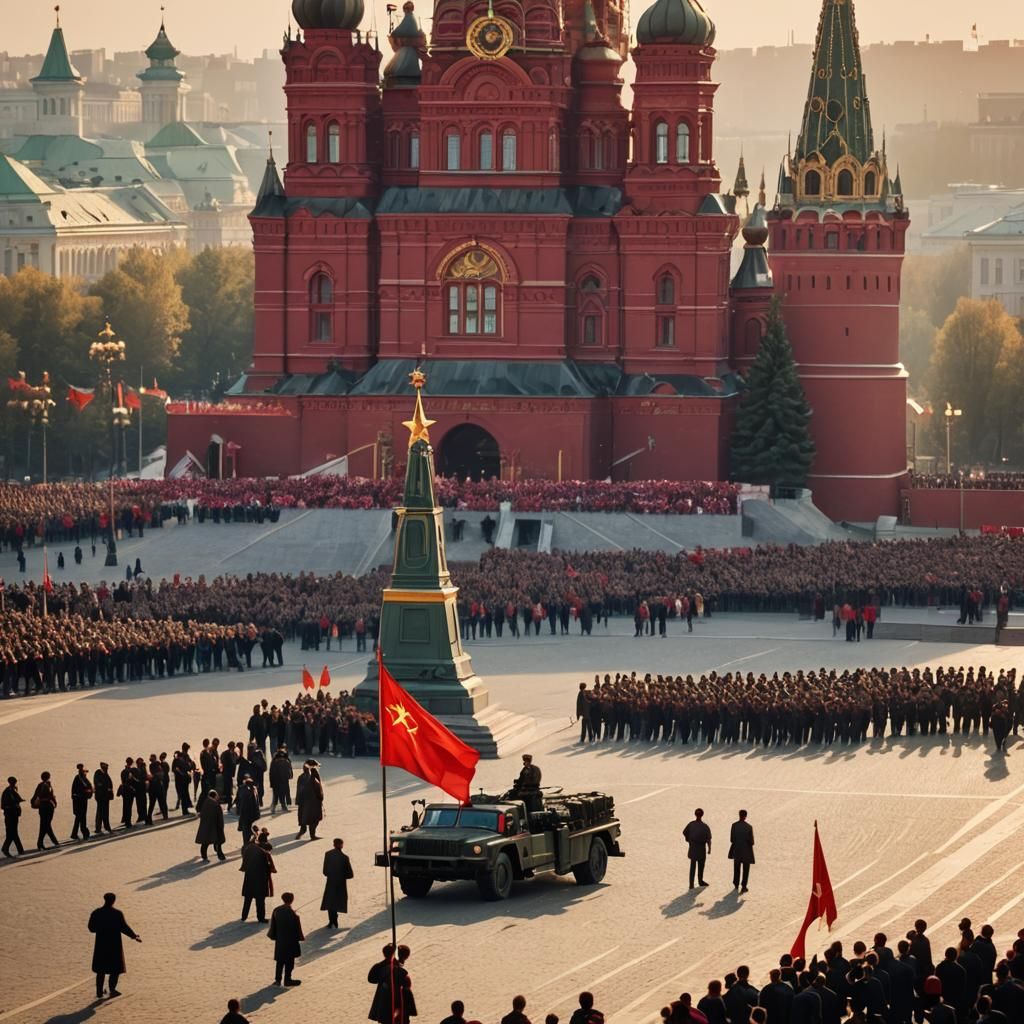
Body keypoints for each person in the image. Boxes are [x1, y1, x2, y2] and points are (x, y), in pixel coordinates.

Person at [88, 892, 141, 1000]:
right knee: (115, 969)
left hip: (101, 944)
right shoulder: (117, 914)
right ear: (114, 901)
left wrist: (101, 929)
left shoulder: (97, 913)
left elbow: (91, 928)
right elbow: (124, 927)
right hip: (114, 944)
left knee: (101, 969)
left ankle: (99, 992)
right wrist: (134, 936)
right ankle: (112, 989)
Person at [368, 944, 412, 1024]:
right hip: (394, 1006)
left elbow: (372, 979)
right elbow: (372, 979)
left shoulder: (384, 968)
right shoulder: (398, 970)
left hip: (386, 1006)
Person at [267, 891, 304, 987]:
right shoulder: (292, 914)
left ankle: (277, 980)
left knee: (280, 961)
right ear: (292, 900)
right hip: (291, 941)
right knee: (289, 961)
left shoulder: (277, 910)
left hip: (280, 940)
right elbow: (295, 928)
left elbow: (273, 925)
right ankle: (288, 979)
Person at [240, 828, 275, 923]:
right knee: (260, 900)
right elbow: (268, 868)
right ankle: (261, 918)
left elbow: (245, 848)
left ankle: (244, 916)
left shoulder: (250, 849)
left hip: (249, 877)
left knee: (248, 899)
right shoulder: (264, 854)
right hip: (261, 880)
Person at [321, 836, 354, 928]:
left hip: (330, 882)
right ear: (342, 845)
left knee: (330, 901)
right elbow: (350, 875)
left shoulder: (328, 854)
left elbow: (325, 871)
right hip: (340, 884)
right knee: (337, 901)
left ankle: (331, 920)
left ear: (334, 844)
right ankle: (334, 921)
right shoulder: (344, 858)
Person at [683, 808, 712, 889]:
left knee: (692, 866)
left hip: (693, 848)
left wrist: (688, 840)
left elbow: (684, 832)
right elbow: (708, 839)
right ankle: (700, 881)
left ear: (695, 814)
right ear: (702, 815)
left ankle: (691, 883)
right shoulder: (705, 827)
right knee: (701, 866)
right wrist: (709, 849)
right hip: (701, 849)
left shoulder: (691, 824)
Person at [727, 810, 754, 893]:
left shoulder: (734, 825)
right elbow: (752, 842)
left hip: (736, 850)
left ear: (739, 815)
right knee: (746, 869)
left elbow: (732, 839)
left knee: (736, 868)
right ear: (745, 816)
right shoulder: (749, 827)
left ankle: (736, 884)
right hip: (746, 851)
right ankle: (744, 886)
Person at [196, 789, 227, 862]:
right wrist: (221, 827)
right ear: (215, 796)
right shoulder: (216, 805)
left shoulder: (205, 803)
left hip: (205, 826)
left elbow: (201, 814)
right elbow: (220, 819)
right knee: (218, 842)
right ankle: (221, 856)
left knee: (205, 842)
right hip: (215, 827)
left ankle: (204, 856)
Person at [295, 761, 324, 840]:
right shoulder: (313, 779)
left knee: (304, 818)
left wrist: (298, 801)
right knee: (314, 820)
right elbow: (319, 793)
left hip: (303, 802)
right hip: (313, 803)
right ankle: (312, 835)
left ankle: (302, 831)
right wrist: (320, 799)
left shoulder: (302, 777)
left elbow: (299, 790)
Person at [32, 770, 59, 850]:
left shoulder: (41, 785)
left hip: (42, 807)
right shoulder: (47, 785)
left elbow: (35, 795)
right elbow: (50, 796)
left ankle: (43, 843)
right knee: (46, 825)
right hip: (48, 807)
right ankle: (43, 843)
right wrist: (54, 802)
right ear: (49, 777)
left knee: (45, 825)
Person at [2, 776, 25, 857]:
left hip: (13, 815)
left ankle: (20, 850)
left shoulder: (11, 790)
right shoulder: (7, 791)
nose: (14, 784)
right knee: (12, 833)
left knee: (13, 833)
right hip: (10, 815)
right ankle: (6, 848)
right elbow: (4, 805)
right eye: (13, 782)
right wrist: (15, 803)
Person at [71, 763, 93, 841]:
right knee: (82, 817)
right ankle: (85, 833)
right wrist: (88, 791)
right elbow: (77, 790)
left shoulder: (81, 778)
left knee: (78, 818)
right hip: (80, 801)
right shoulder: (79, 778)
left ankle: (74, 834)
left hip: (82, 800)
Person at [269, 747, 293, 813]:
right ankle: (283, 807)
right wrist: (289, 776)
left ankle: (273, 808)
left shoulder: (274, 762)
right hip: (283, 781)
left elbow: (271, 773)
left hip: (276, 781)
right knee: (283, 795)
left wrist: (271, 782)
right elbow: (289, 772)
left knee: (276, 795)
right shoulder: (286, 761)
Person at [93, 762, 114, 834]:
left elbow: (108, 783)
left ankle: (106, 826)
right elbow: (98, 784)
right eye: (106, 767)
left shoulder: (106, 774)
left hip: (106, 797)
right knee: (100, 812)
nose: (107, 769)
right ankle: (98, 828)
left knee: (105, 812)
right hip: (100, 796)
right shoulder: (98, 773)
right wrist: (106, 788)